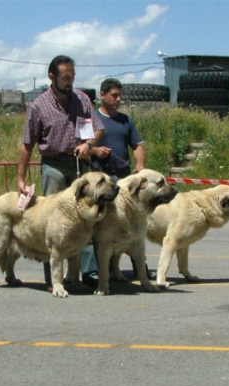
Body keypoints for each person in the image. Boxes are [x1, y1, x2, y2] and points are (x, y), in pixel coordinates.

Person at [17, 55, 104, 291]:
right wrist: (21, 178)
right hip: (53, 166)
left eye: (72, 77)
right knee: (52, 222)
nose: (70, 82)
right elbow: (27, 143)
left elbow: (97, 129)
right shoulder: (39, 106)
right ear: (52, 76)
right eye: (66, 77)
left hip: (80, 165)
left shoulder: (82, 99)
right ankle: (53, 279)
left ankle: (85, 273)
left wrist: (88, 145)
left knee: (84, 219)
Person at [81, 78, 156, 281]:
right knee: (95, 224)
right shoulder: (92, 120)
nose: (118, 99)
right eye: (114, 95)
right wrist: (95, 150)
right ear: (102, 95)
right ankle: (92, 271)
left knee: (132, 224)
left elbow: (137, 145)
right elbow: (81, 148)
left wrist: (140, 164)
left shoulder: (126, 120)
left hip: (123, 180)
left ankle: (141, 268)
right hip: (100, 183)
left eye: (120, 96)